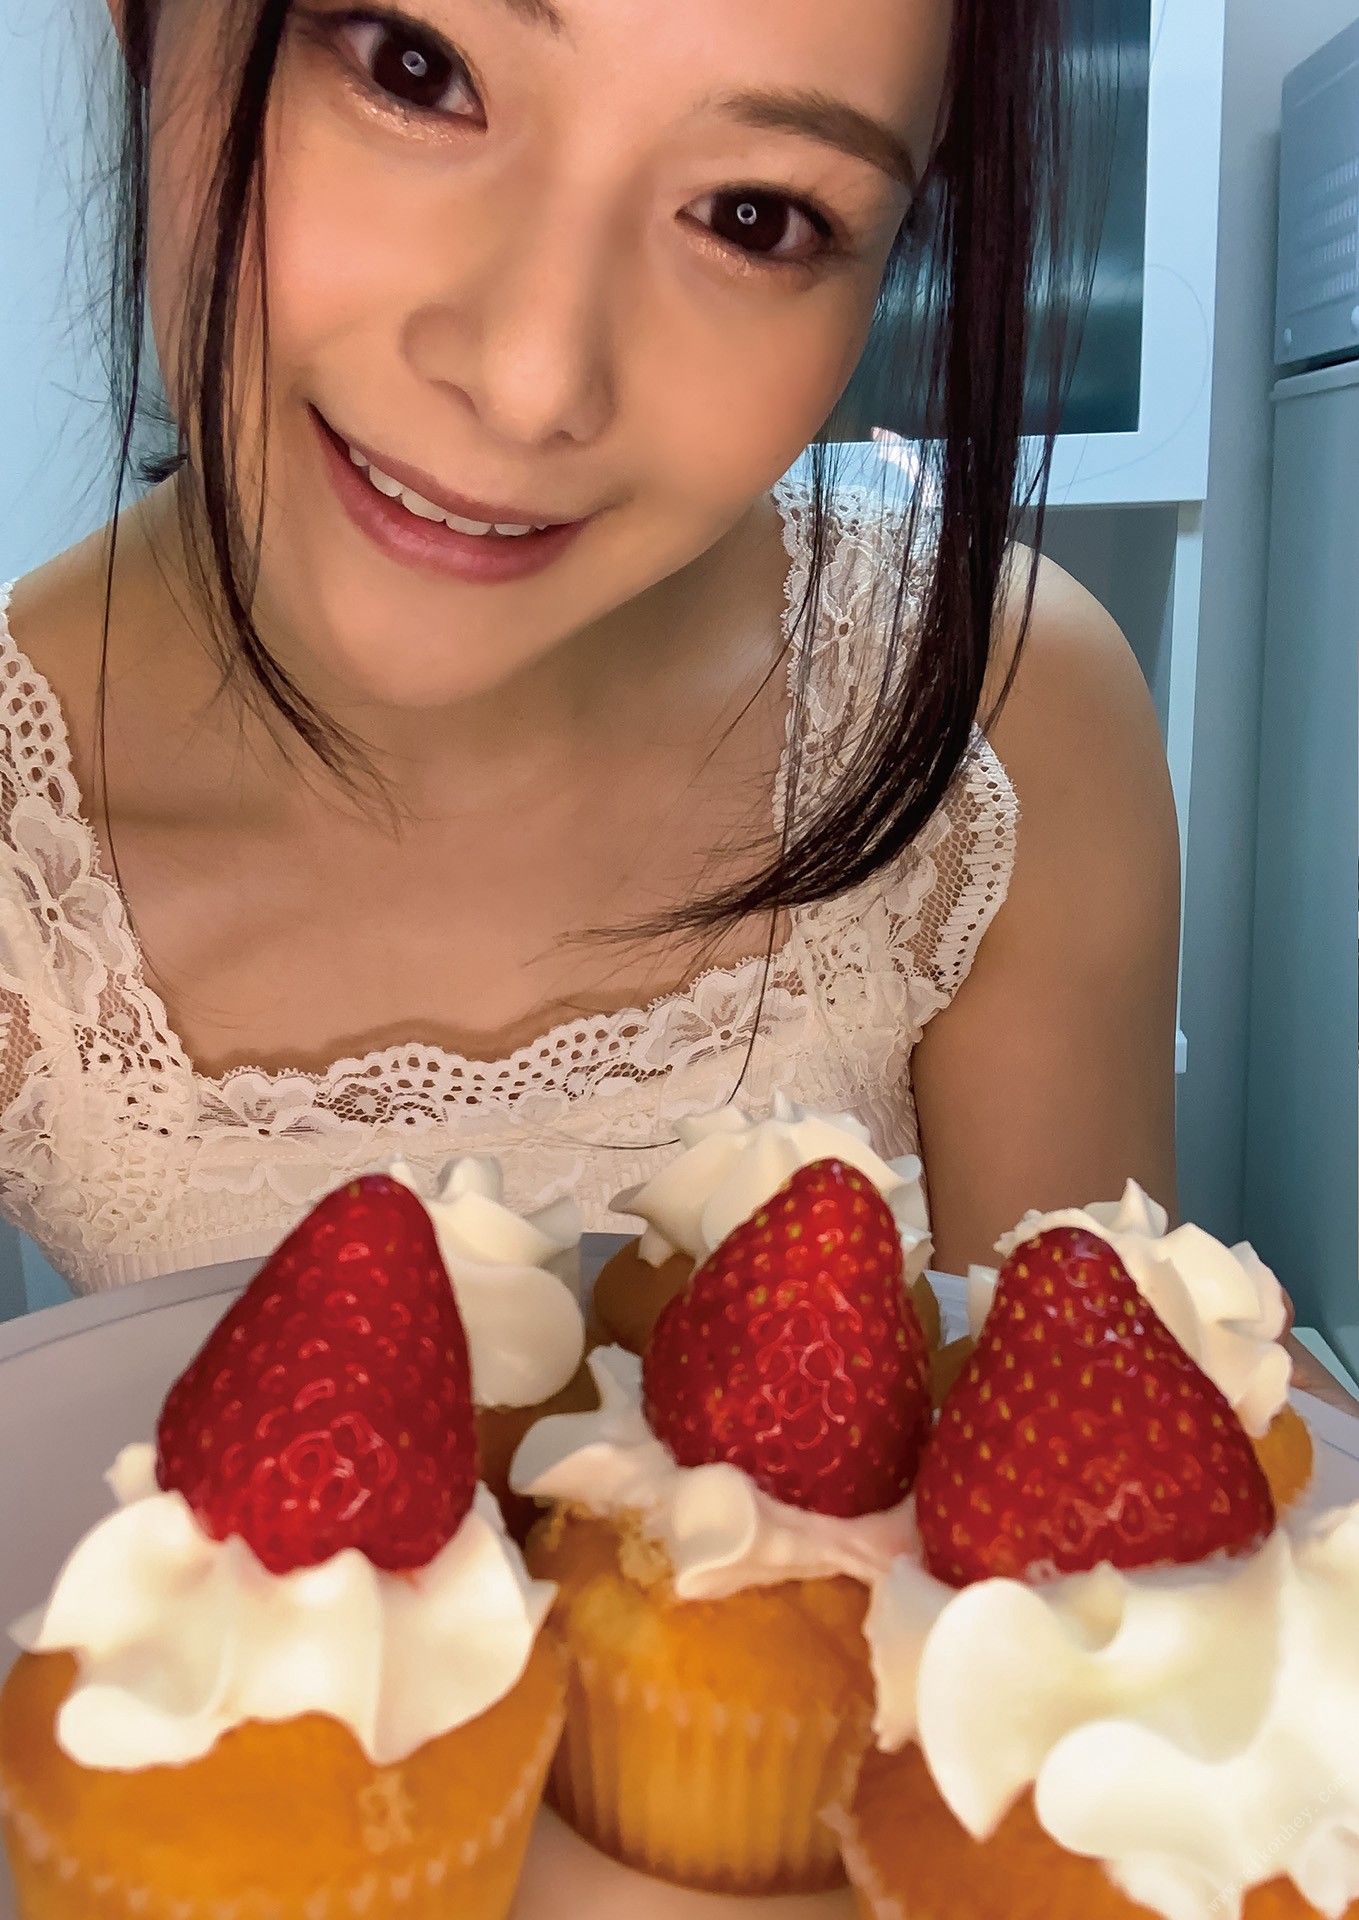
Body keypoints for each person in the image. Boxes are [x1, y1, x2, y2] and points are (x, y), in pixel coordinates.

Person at [0, 0, 1181, 1301]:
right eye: (415, 69)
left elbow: (1096, 1383)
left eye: (755, 217)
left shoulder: (998, 714)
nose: (532, 382)